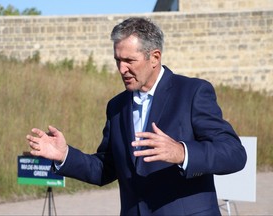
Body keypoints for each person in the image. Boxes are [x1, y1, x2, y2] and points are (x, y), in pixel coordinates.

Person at [26, 17, 247, 216]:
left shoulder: (192, 92)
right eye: (117, 60)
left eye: (129, 61)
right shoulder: (116, 106)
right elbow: (105, 169)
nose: (121, 69)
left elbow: (234, 153)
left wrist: (181, 152)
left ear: (155, 57)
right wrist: (64, 155)